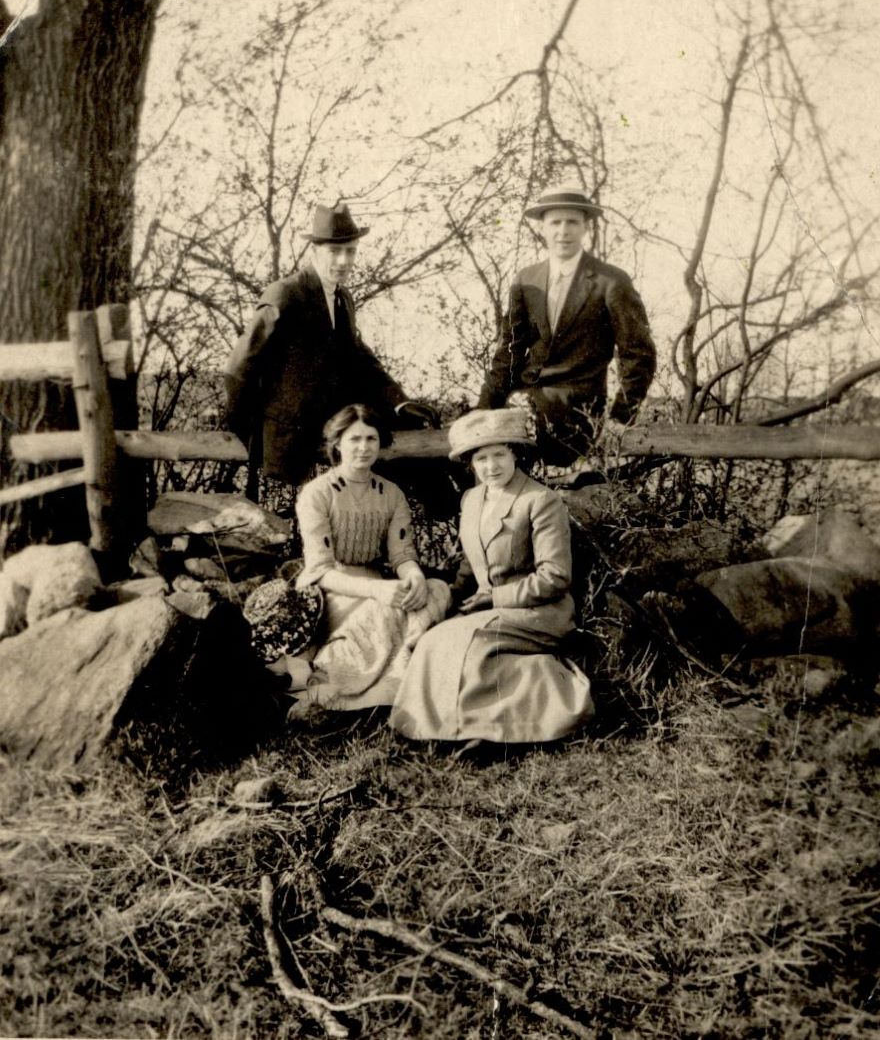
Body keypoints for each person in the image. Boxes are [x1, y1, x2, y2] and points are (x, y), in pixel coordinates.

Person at [389, 408, 593, 746]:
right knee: (432, 638)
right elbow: (472, 564)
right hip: (489, 610)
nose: (491, 466)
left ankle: (480, 732)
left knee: (460, 643)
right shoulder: (471, 499)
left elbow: (555, 577)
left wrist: (495, 598)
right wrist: (451, 601)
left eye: (499, 454)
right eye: (481, 458)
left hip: (540, 611)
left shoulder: (540, 501)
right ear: (471, 463)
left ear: (516, 454)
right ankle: (430, 730)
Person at [224, 200, 429, 486]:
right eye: (334, 251)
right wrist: (248, 431)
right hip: (290, 437)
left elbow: (361, 361)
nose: (344, 261)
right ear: (314, 252)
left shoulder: (343, 299)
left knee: (415, 438)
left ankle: (457, 507)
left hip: (333, 422)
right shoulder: (286, 294)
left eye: (350, 251)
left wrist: (400, 402)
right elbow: (239, 368)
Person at [275, 404, 450, 716]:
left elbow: (403, 555)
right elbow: (319, 570)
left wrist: (415, 577)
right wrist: (377, 591)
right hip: (326, 591)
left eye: (371, 439)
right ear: (337, 443)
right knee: (388, 608)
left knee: (438, 590)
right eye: (354, 439)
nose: (363, 447)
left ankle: (393, 679)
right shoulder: (316, 493)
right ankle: (327, 682)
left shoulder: (391, 493)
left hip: (375, 583)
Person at [478, 186, 656, 465]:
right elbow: (509, 352)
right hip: (524, 407)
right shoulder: (527, 279)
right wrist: (486, 407)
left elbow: (639, 354)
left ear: (585, 226)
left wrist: (620, 416)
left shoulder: (610, 281)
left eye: (572, 222)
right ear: (543, 229)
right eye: (555, 223)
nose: (563, 231)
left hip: (579, 413)